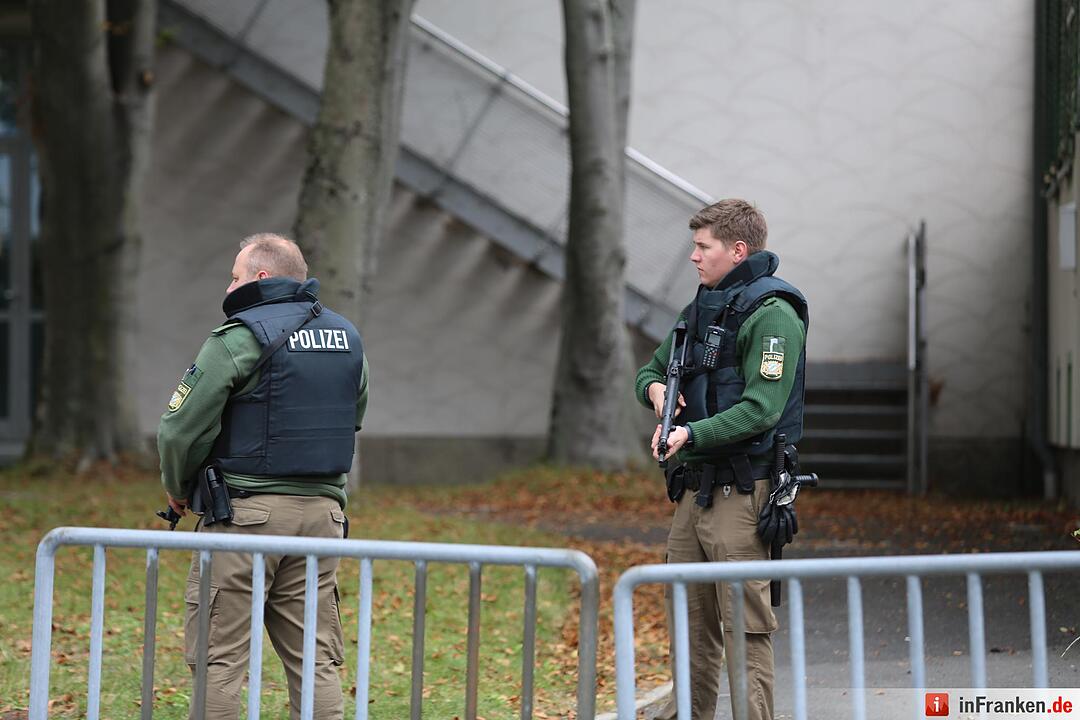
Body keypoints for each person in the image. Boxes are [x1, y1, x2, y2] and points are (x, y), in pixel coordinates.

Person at [158, 233, 368, 720]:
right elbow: (353, 413)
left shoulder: (238, 338)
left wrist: (177, 487)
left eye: (234, 277)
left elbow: (179, 429)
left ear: (261, 277)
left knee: (220, 659)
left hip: (245, 518)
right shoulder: (346, 337)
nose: (228, 287)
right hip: (322, 522)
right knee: (314, 661)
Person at [634, 199, 808, 720]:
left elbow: (762, 409)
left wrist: (690, 432)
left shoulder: (773, 313)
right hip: (694, 490)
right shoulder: (700, 309)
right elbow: (649, 372)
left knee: (743, 630)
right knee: (689, 625)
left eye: (702, 246)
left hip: (743, 492)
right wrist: (658, 395)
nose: (693, 256)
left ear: (737, 250)